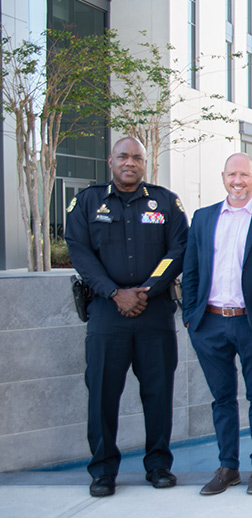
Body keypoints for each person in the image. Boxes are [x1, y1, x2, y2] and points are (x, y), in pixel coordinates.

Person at [64, 136, 188, 497]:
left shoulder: (165, 201)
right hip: (107, 312)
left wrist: (146, 289)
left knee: (158, 391)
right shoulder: (87, 202)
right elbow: (80, 251)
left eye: (136, 157)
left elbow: (177, 249)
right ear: (110, 161)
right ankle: (103, 470)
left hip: (155, 311)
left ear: (144, 162)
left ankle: (158, 465)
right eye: (123, 156)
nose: (129, 162)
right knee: (102, 392)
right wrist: (114, 292)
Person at [181, 152, 252, 496]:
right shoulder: (203, 217)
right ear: (223, 177)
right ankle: (228, 467)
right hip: (210, 323)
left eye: (244, 175)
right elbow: (192, 270)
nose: (237, 181)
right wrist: (191, 318)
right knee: (222, 399)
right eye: (232, 175)